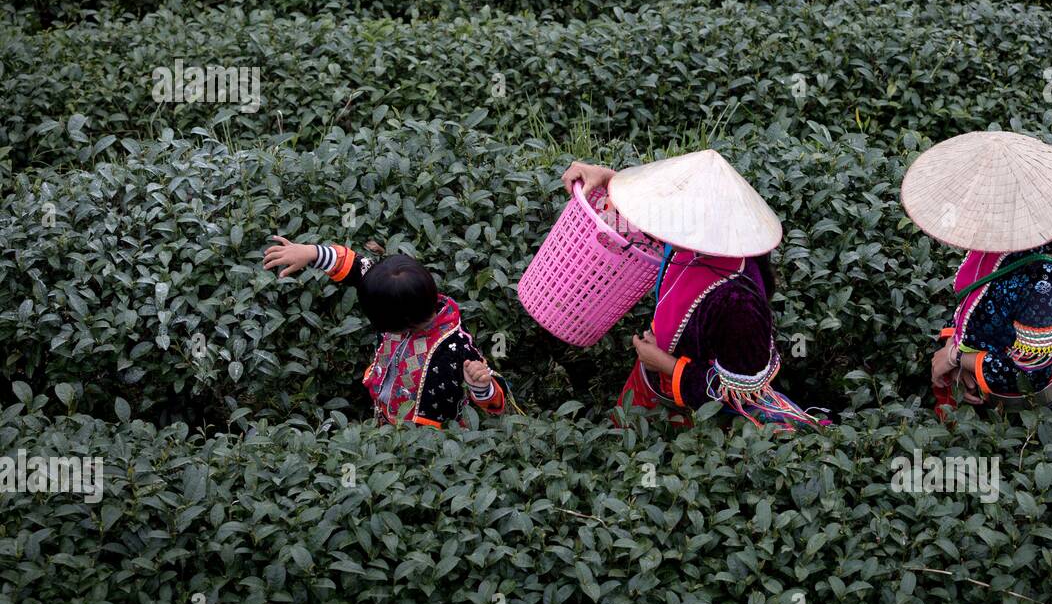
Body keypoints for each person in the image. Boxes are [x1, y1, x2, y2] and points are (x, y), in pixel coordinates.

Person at [561, 149, 828, 429]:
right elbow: (651, 220)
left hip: (700, 419)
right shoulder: (690, 239)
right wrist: (607, 179)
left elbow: (736, 395)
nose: (660, 224)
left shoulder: (739, 304)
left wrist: (667, 365)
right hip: (653, 378)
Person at [899, 131, 1052, 413]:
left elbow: (1030, 373)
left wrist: (957, 358)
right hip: (980, 375)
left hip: (1034, 409)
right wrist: (959, 358)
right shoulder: (991, 243)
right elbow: (974, 306)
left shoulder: (1043, 282)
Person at [262, 237, 507, 428]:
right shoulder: (395, 292)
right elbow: (357, 268)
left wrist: (479, 386)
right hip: (384, 416)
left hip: (427, 437)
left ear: (401, 324)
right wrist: (311, 253)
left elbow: (495, 401)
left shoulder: (455, 347)